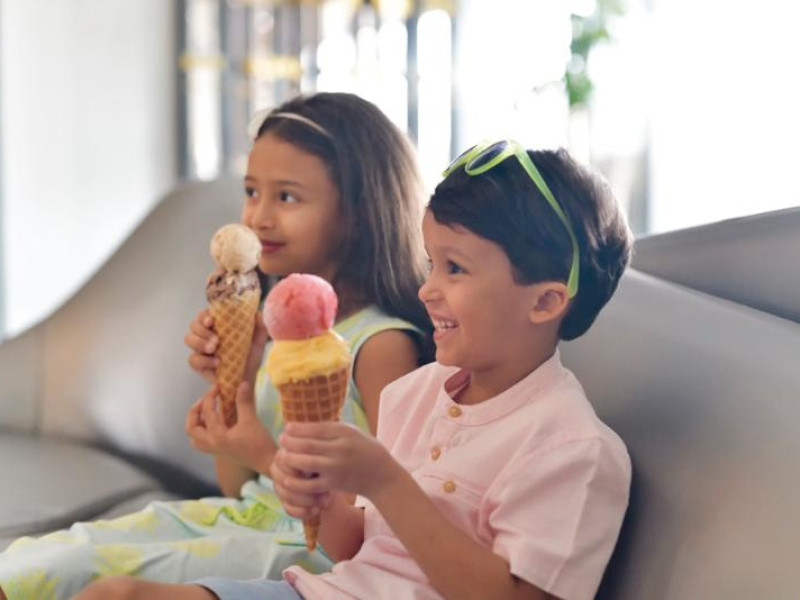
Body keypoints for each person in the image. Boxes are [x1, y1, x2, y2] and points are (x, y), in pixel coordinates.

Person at [73, 139, 635, 600]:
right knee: (114, 596)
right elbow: (361, 550)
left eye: (456, 269)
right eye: (431, 263)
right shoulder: (418, 393)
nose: (427, 290)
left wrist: (386, 481)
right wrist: (316, 498)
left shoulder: (574, 450)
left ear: (545, 302)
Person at [0, 92, 432, 600]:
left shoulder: (381, 346)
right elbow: (238, 487)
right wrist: (236, 382)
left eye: (287, 197)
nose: (258, 217)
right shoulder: (273, 326)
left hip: (314, 550)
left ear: (359, 212)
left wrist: (263, 452)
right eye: (252, 191)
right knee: (45, 559)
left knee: (101, 580)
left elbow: (388, 518)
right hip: (243, 516)